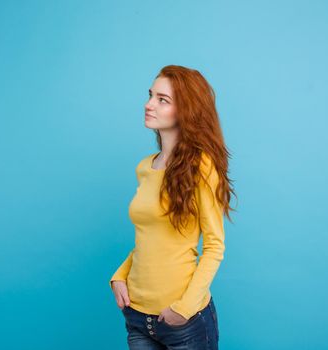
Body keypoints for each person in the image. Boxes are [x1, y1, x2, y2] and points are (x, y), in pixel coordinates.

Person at [109, 65, 237, 350]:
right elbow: (150, 240)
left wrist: (184, 308)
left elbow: (215, 246)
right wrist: (120, 275)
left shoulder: (201, 166)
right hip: (138, 317)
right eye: (150, 95)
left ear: (185, 111)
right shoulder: (145, 167)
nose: (148, 104)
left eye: (162, 99)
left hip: (184, 322)